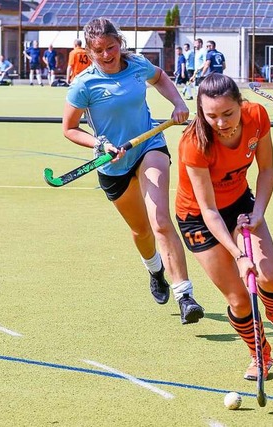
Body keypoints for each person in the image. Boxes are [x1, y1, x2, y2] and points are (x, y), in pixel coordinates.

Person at [61, 17, 205, 324]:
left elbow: (161, 77)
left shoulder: (137, 65)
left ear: (120, 43)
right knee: (141, 230)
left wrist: (178, 102)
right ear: (89, 50)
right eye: (98, 50)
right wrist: (99, 145)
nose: (106, 55)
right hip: (113, 164)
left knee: (161, 220)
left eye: (111, 47)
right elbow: (70, 129)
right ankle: (155, 271)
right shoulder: (84, 84)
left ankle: (185, 295)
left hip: (148, 146)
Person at [175, 73, 273, 380]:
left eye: (227, 114)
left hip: (240, 202)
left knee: (270, 277)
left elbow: (266, 169)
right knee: (238, 296)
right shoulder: (194, 143)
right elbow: (208, 210)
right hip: (198, 217)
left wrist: (258, 212)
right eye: (211, 116)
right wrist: (238, 254)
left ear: (240, 104)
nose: (221, 123)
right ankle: (260, 354)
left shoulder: (257, 116)